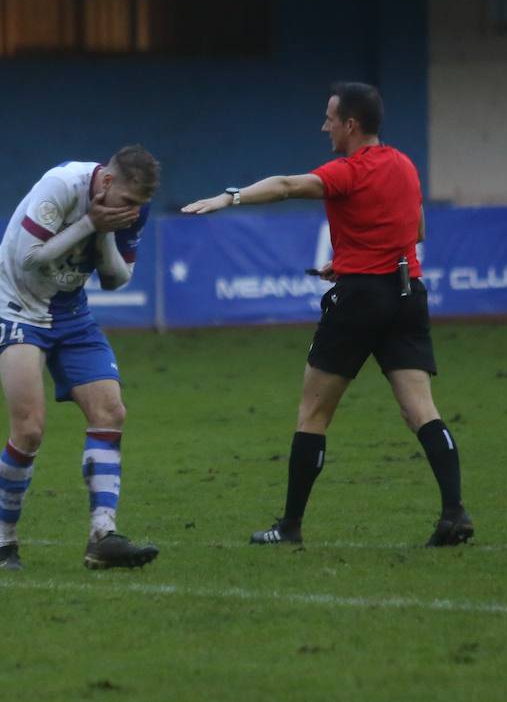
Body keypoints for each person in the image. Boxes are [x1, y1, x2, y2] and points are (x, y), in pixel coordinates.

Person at [181, 82, 474, 548]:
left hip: (360, 300)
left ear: (351, 125)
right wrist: (352, 257)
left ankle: (290, 527)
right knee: (420, 408)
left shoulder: (348, 171)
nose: (325, 126)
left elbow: (285, 186)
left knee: (313, 413)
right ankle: (454, 513)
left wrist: (229, 198)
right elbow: (415, 229)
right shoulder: (405, 165)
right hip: (406, 294)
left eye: (330, 118)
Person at [0, 146, 162, 571]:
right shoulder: (61, 187)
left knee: (111, 410)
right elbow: (29, 258)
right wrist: (89, 222)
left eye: (139, 206)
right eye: (127, 202)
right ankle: (4, 544)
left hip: (70, 310)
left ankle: (103, 535)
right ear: (105, 183)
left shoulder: (130, 211)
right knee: (28, 431)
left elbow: (117, 280)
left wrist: (102, 231)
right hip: (17, 307)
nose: (132, 212)